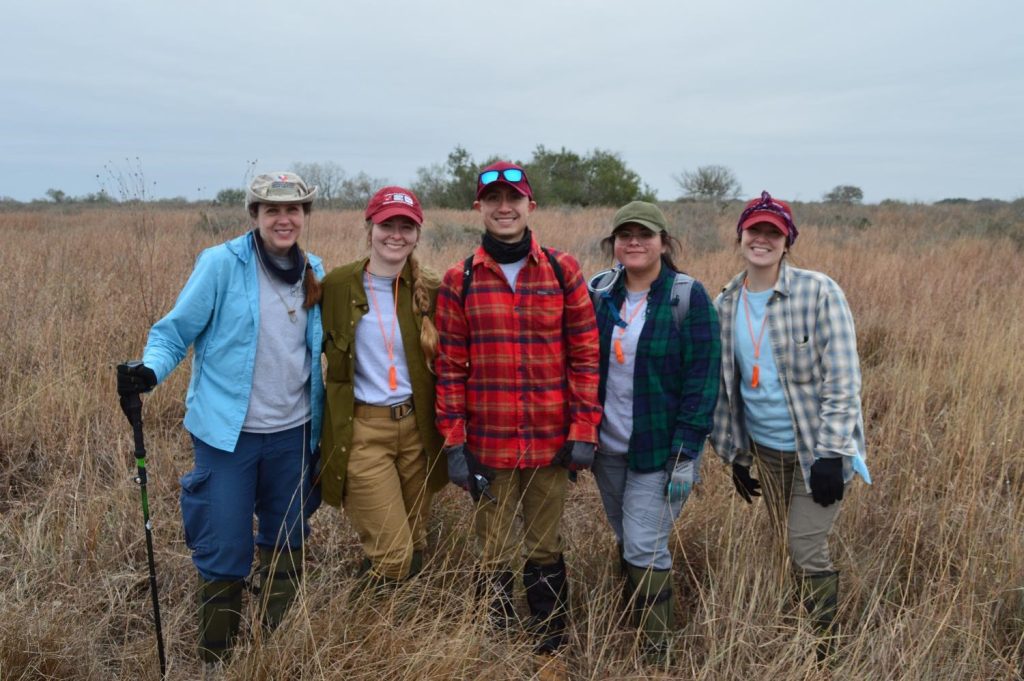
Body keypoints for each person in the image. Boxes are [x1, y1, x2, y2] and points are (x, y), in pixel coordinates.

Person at [116, 171, 324, 665]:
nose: (283, 219)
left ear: (304, 217)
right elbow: (173, 333)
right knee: (224, 547)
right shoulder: (220, 264)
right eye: (271, 210)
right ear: (254, 215)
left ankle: (275, 650)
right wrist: (149, 371)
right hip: (227, 437)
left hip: (294, 434)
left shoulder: (314, 268)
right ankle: (217, 658)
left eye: (292, 210)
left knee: (287, 538)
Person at [434, 161, 601, 674]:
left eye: (514, 199)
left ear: (531, 205)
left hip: (551, 442)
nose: (504, 208)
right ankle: (500, 643)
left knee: (545, 545)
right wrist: (456, 446)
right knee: (494, 549)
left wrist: (584, 431)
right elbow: (449, 368)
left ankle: (549, 644)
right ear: (478, 208)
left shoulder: (561, 269)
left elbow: (586, 353)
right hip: (489, 444)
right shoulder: (459, 279)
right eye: (493, 200)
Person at [709, 191, 871, 661]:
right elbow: (726, 386)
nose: (761, 239)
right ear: (740, 235)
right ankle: (798, 625)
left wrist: (832, 452)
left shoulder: (820, 291)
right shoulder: (725, 303)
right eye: (754, 230)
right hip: (766, 450)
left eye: (772, 233)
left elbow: (843, 378)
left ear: (787, 241)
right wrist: (735, 455)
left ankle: (824, 650)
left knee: (804, 547)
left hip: (816, 451)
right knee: (787, 542)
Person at [588, 201, 720, 663]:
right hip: (608, 448)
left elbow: (703, 382)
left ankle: (659, 649)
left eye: (645, 234)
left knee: (644, 543)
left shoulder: (688, 297)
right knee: (629, 539)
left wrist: (685, 454)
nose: (634, 242)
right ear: (614, 243)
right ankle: (637, 618)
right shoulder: (600, 291)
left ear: (664, 242)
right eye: (625, 234)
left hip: (662, 449)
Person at [319, 186, 446, 589]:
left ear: (418, 234)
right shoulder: (337, 285)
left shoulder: (431, 289)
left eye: (406, 227)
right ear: (369, 227)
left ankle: (399, 632)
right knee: (393, 556)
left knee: (416, 540)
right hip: (363, 432)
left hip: (416, 430)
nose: (396, 235)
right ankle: (357, 629)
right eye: (387, 224)